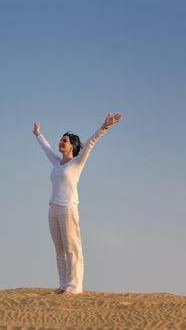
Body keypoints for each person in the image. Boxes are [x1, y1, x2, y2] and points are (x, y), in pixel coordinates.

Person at [32, 112, 122, 294]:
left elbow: (90, 143)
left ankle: (74, 287)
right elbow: (46, 149)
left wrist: (104, 127)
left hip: (68, 209)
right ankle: (63, 285)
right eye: (60, 140)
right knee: (60, 249)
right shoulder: (56, 163)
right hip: (53, 209)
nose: (60, 143)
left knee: (72, 248)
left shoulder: (77, 163)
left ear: (72, 146)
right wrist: (38, 135)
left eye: (64, 141)